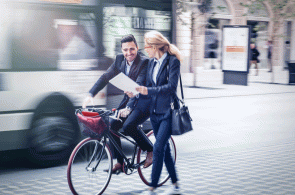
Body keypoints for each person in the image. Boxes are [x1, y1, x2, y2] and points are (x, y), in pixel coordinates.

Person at [83, 34, 153, 173]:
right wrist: (91, 94)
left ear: (137, 48)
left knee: (128, 126)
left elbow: (138, 86)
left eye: (132, 49)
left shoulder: (144, 62)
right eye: (125, 50)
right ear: (122, 50)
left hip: (144, 102)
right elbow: (105, 77)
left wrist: (128, 108)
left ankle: (151, 150)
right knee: (112, 124)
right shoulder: (120, 59)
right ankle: (120, 163)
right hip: (129, 99)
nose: (129, 53)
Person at [126, 31, 182, 195]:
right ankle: (175, 180)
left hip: (168, 112)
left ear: (155, 46)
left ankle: (153, 186)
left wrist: (147, 90)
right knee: (164, 150)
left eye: (147, 46)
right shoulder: (151, 63)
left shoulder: (173, 62)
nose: (145, 49)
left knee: (157, 148)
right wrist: (135, 92)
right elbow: (146, 86)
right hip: (155, 113)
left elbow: (171, 87)